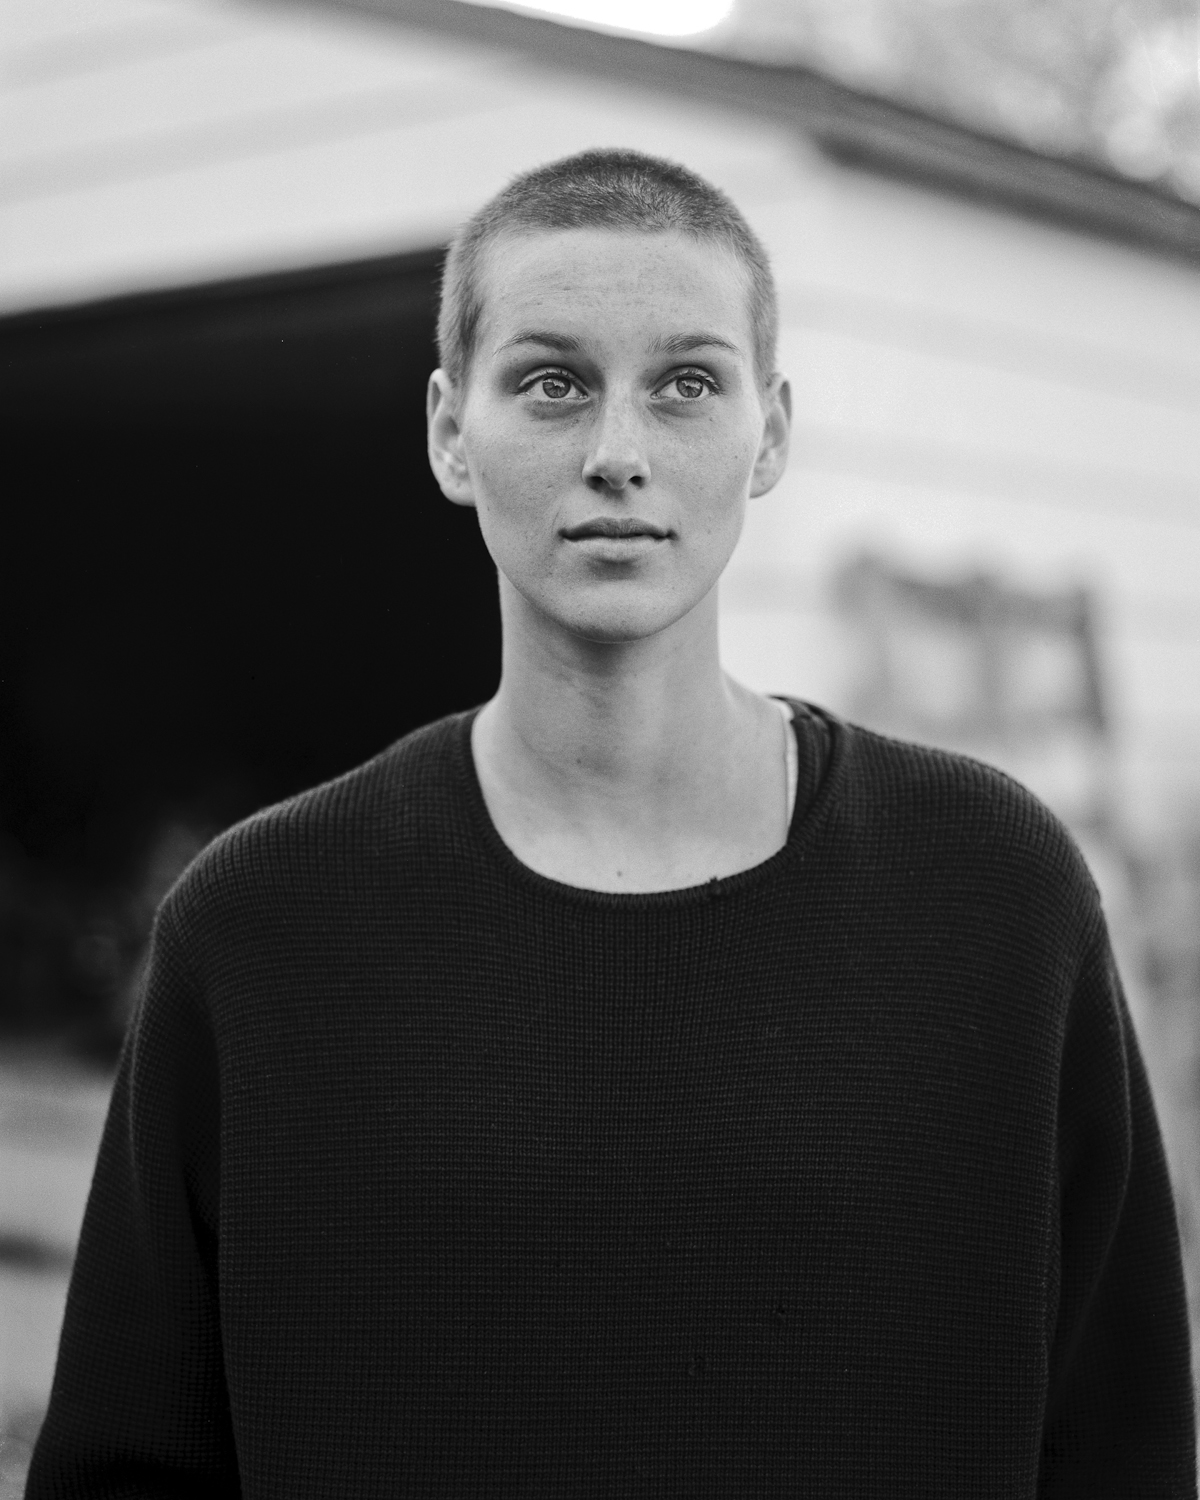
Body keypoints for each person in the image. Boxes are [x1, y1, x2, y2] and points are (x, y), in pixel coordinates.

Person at [27, 149, 1195, 1497]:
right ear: (450, 433)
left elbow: (1125, 1452)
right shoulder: (259, 931)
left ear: (770, 434)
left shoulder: (996, 895)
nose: (618, 456)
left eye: (687, 383)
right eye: (552, 383)